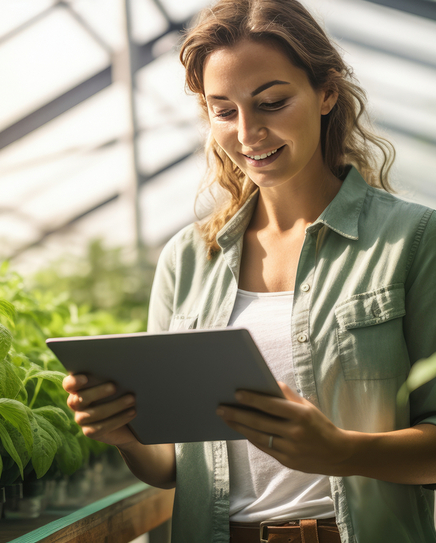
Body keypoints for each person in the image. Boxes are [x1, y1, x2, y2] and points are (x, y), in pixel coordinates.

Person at [63, 0, 436, 541]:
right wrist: (128, 436)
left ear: (327, 93)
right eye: (224, 110)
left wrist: (341, 451)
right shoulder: (187, 260)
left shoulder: (413, 240)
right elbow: (171, 467)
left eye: (272, 102)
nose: (247, 132)